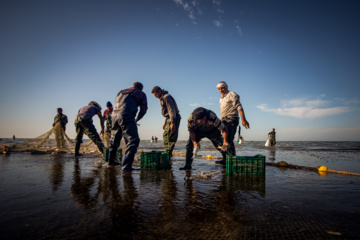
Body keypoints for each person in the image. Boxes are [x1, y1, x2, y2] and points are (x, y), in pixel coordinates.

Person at [108, 82, 148, 170]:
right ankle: (126, 166)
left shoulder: (121, 91)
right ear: (140, 88)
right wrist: (136, 119)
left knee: (114, 139)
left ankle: (111, 162)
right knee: (133, 140)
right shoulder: (141, 93)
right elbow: (143, 110)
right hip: (126, 114)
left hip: (114, 115)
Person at [217, 81, 250, 156]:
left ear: (226, 87)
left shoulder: (231, 94)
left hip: (232, 119)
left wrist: (243, 119)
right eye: (219, 89)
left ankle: (231, 158)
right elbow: (225, 109)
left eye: (222, 88)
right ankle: (227, 158)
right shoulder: (221, 98)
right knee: (224, 140)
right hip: (224, 120)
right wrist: (222, 118)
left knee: (229, 140)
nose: (220, 90)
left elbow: (239, 107)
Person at [151, 86, 181, 157]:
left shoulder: (166, 97)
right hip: (169, 119)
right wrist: (165, 123)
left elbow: (171, 110)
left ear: (159, 91)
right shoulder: (162, 98)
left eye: (156, 94)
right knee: (165, 136)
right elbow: (167, 112)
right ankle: (167, 152)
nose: (155, 96)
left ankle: (168, 154)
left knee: (171, 137)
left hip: (174, 118)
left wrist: (173, 122)